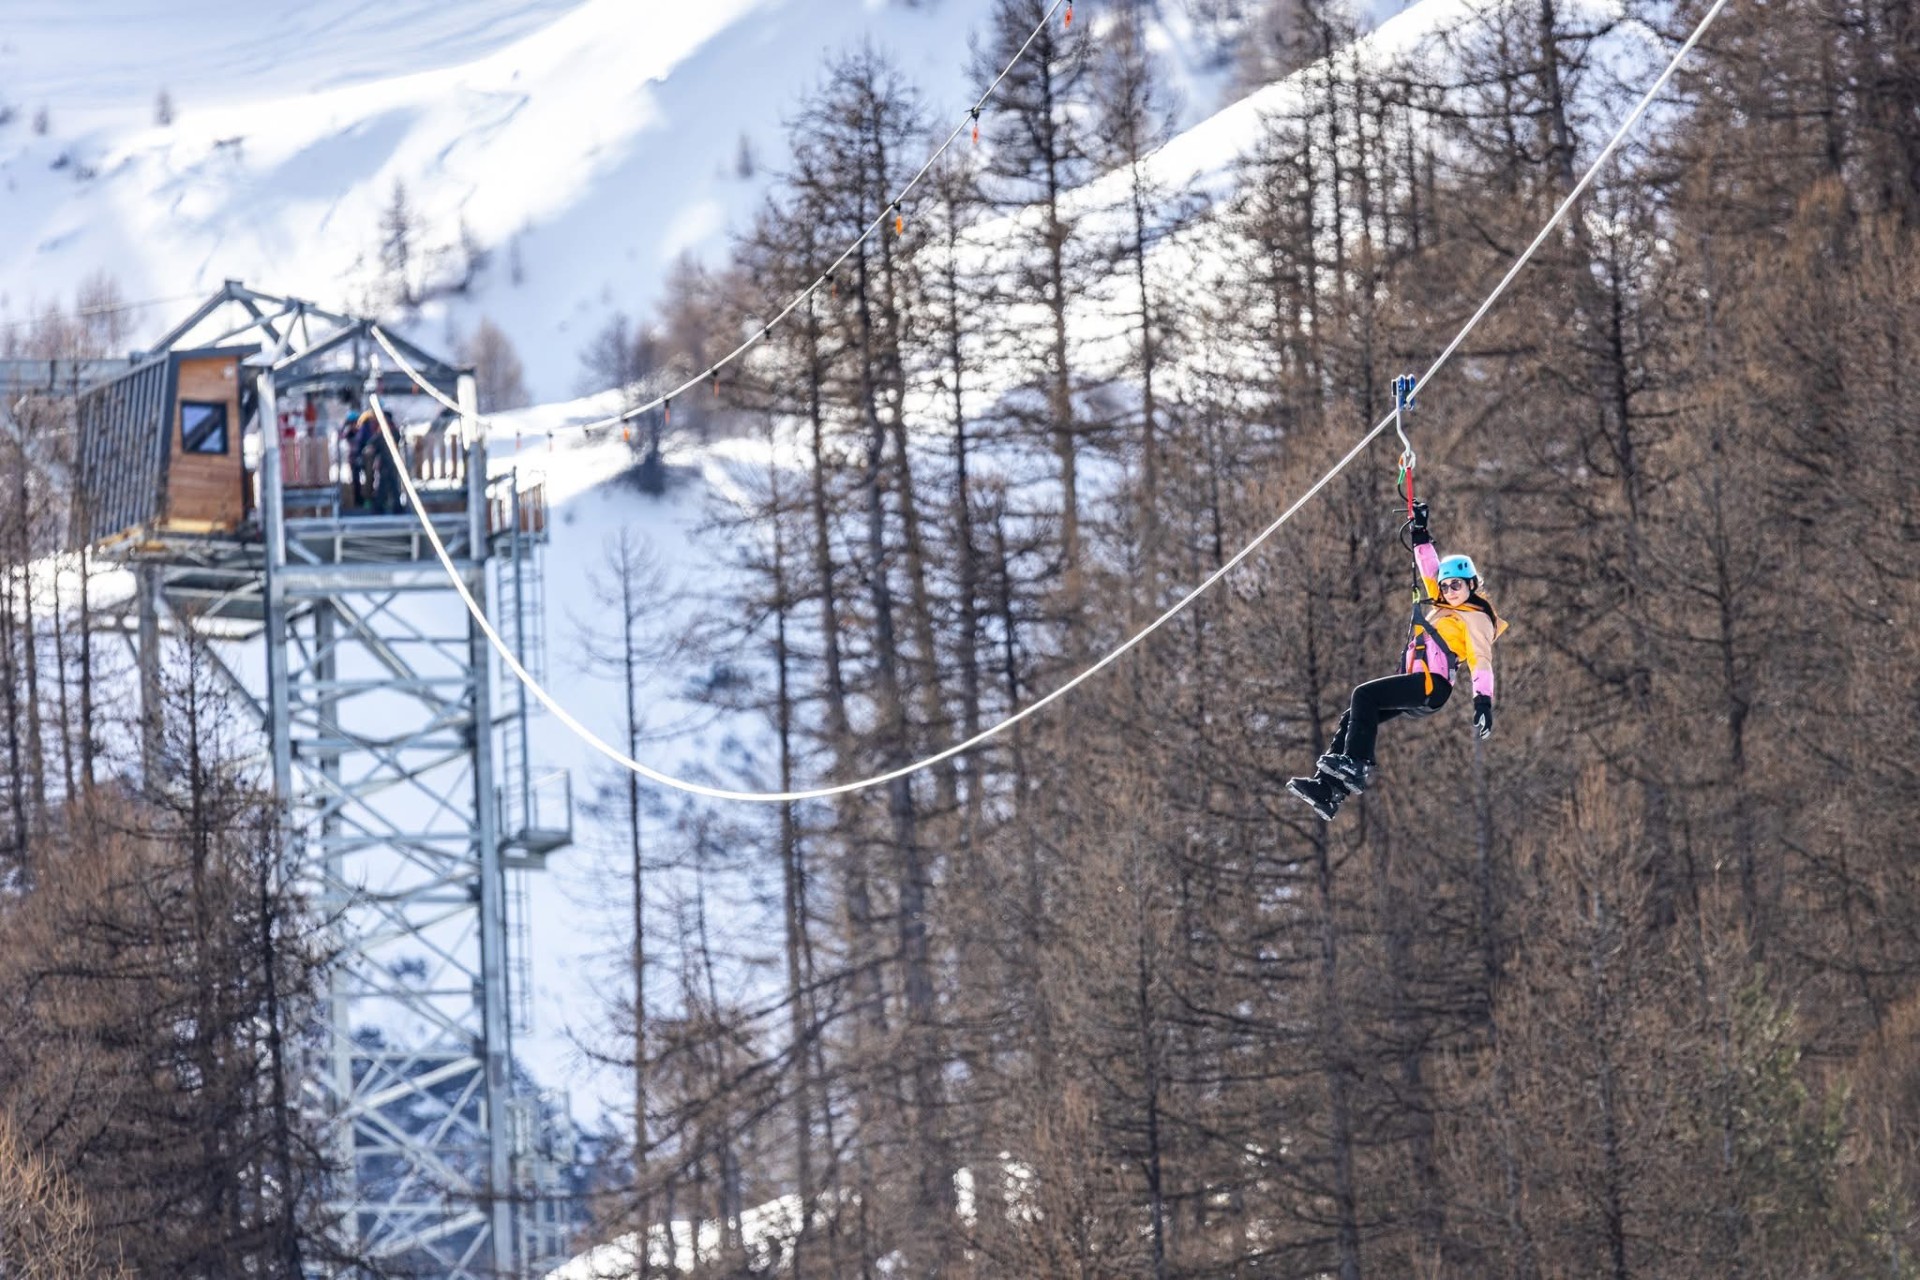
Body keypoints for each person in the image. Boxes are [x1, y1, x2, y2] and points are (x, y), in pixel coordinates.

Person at [1287, 500, 1508, 821]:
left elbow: (1481, 660)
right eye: (1446, 586)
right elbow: (1430, 570)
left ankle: (1356, 764)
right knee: (1355, 715)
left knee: (1364, 695)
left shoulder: (1477, 617)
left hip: (1431, 685)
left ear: (1472, 585)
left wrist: (1483, 701)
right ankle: (1328, 789)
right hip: (1419, 684)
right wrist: (1420, 532)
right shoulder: (1445, 605)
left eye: (1457, 585)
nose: (1449, 590)